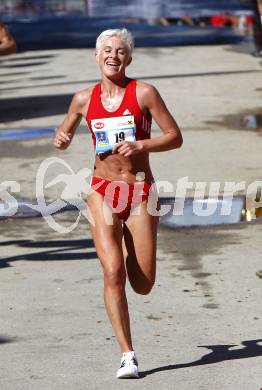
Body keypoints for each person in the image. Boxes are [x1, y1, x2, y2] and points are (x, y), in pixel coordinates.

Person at [54, 28, 183, 379]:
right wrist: (62, 137)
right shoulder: (83, 98)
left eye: (121, 51)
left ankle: (130, 245)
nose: (113, 55)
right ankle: (128, 354)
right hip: (102, 190)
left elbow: (175, 137)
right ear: (97, 56)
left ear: (129, 58)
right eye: (107, 50)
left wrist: (142, 146)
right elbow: (63, 134)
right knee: (113, 273)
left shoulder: (144, 93)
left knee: (142, 284)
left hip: (140, 192)